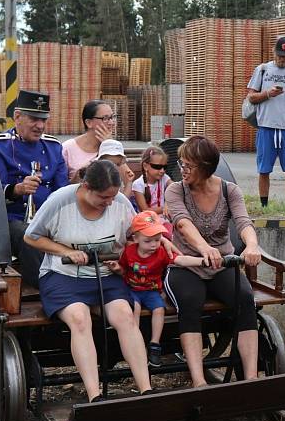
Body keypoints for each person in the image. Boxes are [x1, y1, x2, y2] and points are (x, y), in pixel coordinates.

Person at [23, 160, 152, 402]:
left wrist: (129, 256)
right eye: (104, 197)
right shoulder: (61, 200)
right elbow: (31, 237)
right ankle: (94, 395)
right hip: (64, 277)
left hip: (105, 274)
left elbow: (135, 236)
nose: (109, 203)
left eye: (113, 197)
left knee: (125, 316)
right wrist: (64, 251)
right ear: (86, 186)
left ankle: (146, 389)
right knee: (80, 320)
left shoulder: (120, 204)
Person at [163, 135, 262, 388]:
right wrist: (205, 248)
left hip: (220, 265)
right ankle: (198, 380)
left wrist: (251, 245)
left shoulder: (229, 190)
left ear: (206, 168)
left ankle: (251, 381)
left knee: (245, 300)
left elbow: (243, 222)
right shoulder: (175, 190)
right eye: (181, 164)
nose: (182, 170)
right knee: (189, 302)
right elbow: (183, 223)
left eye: (188, 166)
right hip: (187, 264)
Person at [0, 89, 68, 288]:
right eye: (33, 119)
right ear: (17, 117)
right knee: (30, 236)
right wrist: (19, 189)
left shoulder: (53, 147)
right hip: (12, 219)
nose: (40, 126)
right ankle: (45, 287)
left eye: (43, 119)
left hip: (49, 217)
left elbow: (62, 191)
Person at [107, 210, 205, 367]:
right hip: (132, 290)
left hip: (152, 291)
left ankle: (154, 343)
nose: (153, 244)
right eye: (148, 241)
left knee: (159, 309)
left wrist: (203, 260)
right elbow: (124, 269)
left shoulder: (161, 253)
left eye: (157, 240)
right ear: (136, 238)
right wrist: (117, 269)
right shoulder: (129, 252)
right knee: (135, 309)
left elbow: (180, 260)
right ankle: (135, 343)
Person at [246, 36, 285, 206]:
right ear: (274, 53)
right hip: (266, 127)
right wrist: (268, 93)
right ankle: (264, 205)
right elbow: (250, 97)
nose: (283, 59)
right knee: (264, 169)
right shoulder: (262, 70)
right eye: (281, 55)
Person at [62, 100, 116, 182]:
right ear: (88, 123)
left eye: (112, 117)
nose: (111, 123)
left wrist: (109, 146)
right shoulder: (67, 148)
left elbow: (126, 178)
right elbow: (60, 187)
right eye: (105, 118)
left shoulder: (114, 147)